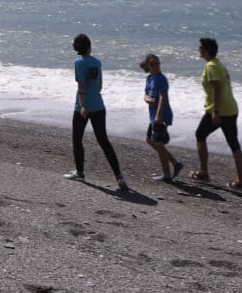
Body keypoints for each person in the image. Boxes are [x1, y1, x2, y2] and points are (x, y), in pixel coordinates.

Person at [66, 34, 128, 191]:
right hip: (99, 105)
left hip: (83, 106)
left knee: (77, 139)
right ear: (89, 46)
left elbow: (81, 86)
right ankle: (119, 176)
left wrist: (83, 106)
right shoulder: (97, 62)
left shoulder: (79, 62)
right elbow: (100, 84)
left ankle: (80, 172)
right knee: (103, 141)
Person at [191, 37, 242, 190]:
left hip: (219, 110)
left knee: (200, 135)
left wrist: (215, 112)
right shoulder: (218, 64)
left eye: (201, 47)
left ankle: (203, 172)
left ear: (207, 50)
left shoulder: (211, 66)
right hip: (230, 109)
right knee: (234, 144)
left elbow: (217, 88)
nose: (199, 50)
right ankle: (241, 181)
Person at [140, 53, 183, 182]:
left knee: (159, 144)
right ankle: (175, 164)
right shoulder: (149, 79)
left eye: (157, 64)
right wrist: (147, 99)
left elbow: (163, 98)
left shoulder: (161, 79)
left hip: (161, 115)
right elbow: (146, 95)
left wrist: (158, 115)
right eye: (152, 64)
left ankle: (167, 175)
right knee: (150, 140)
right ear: (148, 66)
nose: (156, 67)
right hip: (153, 116)